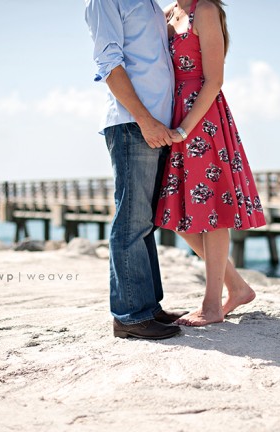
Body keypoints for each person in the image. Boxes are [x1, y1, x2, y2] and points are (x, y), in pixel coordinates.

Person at [155, 0, 267, 326]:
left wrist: (184, 128)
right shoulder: (165, 13)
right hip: (172, 116)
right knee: (172, 212)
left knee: (214, 209)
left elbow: (214, 80)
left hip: (201, 119)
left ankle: (212, 305)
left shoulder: (204, 10)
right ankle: (238, 288)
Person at [84, 0, 188, 340]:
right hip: (134, 123)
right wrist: (145, 121)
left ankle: (148, 307)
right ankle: (130, 316)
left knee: (145, 222)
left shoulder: (151, 4)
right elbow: (109, 64)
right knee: (131, 221)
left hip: (156, 124)